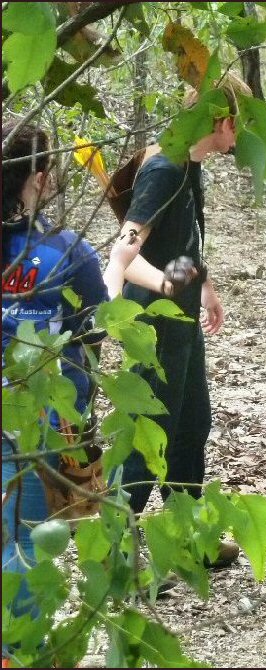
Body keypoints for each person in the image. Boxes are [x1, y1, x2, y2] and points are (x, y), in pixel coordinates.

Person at [1, 121, 135, 662]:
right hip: (43, 414)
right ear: (38, 177)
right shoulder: (66, 251)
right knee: (29, 535)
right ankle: (16, 649)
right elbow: (98, 319)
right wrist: (120, 265)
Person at [108, 73, 252, 569]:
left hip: (182, 319)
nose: (245, 135)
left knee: (192, 424)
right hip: (153, 323)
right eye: (244, 123)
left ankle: (191, 537)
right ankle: (114, 554)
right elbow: (125, 250)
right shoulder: (165, 168)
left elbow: (182, 241)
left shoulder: (192, 166)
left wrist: (202, 282)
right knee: (151, 431)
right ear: (223, 120)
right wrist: (167, 287)